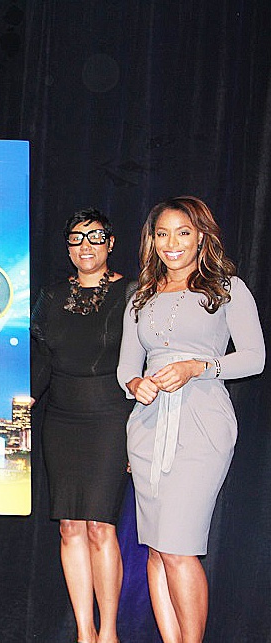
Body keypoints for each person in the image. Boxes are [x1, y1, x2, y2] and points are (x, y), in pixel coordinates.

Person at [117, 196, 264, 642]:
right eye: (161, 234)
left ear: (201, 234)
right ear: (151, 240)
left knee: (179, 548)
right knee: (157, 550)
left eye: (182, 232)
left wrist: (199, 366)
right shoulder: (139, 294)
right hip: (146, 427)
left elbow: (255, 358)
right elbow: (126, 366)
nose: (171, 243)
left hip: (202, 424)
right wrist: (134, 385)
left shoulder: (227, 288)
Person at [31, 208, 132, 643]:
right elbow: (42, 363)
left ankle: (108, 632)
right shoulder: (51, 297)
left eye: (94, 237)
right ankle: (83, 632)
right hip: (61, 420)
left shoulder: (133, 293)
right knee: (70, 526)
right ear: (67, 247)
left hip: (111, 418)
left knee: (100, 526)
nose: (85, 246)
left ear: (111, 243)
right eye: (76, 239)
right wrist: (22, 401)